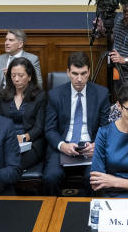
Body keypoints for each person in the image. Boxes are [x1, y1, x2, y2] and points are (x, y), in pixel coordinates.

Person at [42, 52, 110, 195]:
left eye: (83, 73)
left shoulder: (101, 94)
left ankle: (85, 213)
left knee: (94, 179)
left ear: (89, 72)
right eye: (75, 73)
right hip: (63, 144)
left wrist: (96, 145)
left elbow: (105, 127)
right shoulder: (55, 95)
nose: (79, 79)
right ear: (68, 72)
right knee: (51, 177)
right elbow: (50, 129)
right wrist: (63, 145)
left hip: (90, 145)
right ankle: (54, 214)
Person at [0, 57, 48, 169]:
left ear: (30, 76)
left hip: (31, 143)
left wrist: (23, 137)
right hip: (6, 141)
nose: (16, 79)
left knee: (13, 164)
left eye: (20, 75)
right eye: (13, 75)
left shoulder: (40, 96)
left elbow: (39, 126)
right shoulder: (2, 95)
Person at [0, 29, 42, 95]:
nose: (6, 43)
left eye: (11, 40)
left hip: (23, 97)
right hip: (1, 98)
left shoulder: (32, 59)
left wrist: (11, 76)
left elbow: (38, 84)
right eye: (6, 40)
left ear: (20, 44)